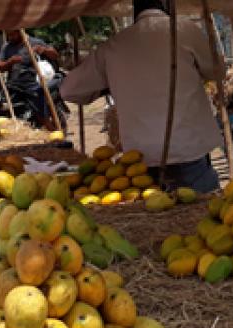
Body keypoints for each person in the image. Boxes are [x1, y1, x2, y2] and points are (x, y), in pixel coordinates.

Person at [59, 0, 222, 193]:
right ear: (167, 5)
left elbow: (68, 90)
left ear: (135, 10)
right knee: (203, 214)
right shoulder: (186, 30)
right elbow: (218, 71)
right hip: (189, 151)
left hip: (140, 163)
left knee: (154, 217)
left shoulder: (115, 44)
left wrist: (107, 85)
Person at [0, 30, 61, 130]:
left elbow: (55, 55)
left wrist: (43, 50)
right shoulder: (6, 47)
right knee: (4, 110)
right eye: (8, 35)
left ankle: (54, 132)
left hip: (32, 84)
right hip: (13, 84)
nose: (10, 37)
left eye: (12, 34)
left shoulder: (35, 42)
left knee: (41, 113)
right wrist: (10, 62)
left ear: (20, 32)